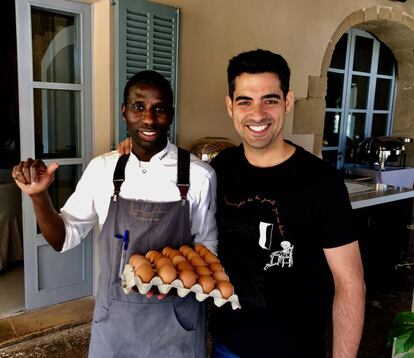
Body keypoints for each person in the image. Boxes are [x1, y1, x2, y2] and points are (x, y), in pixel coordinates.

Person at [12, 70, 217, 358]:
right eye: (138, 107)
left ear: (170, 114)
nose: (148, 119)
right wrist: (39, 197)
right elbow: (63, 238)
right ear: (124, 112)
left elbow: (207, 247)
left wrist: (182, 283)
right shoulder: (103, 169)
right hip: (115, 321)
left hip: (177, 322)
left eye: (159, 109)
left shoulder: (199, 175)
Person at [208, 49, 365, 357]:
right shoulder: (220, 168)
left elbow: (350, 284)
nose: (257, 114)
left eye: (270, 99)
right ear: (230, 106)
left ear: (288, 102)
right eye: (245, 101)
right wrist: (132, 153)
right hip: (227, 346)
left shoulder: (322, 182)